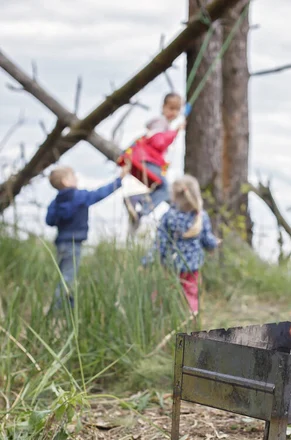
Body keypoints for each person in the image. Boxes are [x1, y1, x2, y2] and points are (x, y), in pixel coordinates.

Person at [45, 163, 130, 308]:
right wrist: (119, 179)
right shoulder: (79, 196)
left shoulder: (56, 202)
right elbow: (99, 194)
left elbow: (49, 221)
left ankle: (69, 308)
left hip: (60, 244)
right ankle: (58, 310)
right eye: (72, 176)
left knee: (65, 275)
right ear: (65, 181)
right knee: (68, 278)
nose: (76, 178)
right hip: (74, 244)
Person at [144, 174, 220, 314]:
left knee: (164, 289)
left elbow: (159, 243)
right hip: (192, 268)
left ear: (174, 196)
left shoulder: (169, 216)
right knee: (190, 293)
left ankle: (157, 312)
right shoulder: (200, 216)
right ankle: (191, 318)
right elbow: (207, 240)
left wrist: (147, 260)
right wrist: (214, 243)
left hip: (170, 265)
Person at [117, 93, 185, 224]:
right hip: (147, 160)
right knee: (166, 190)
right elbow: (158, 142)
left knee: (163, 189)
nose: (174, 112)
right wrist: (175, 132)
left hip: (149, 161)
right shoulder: (160, 122)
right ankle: (140, 207)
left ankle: (137, 202)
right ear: (163, 107)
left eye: (177, 110)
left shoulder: (164, 125)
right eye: (171, 108)